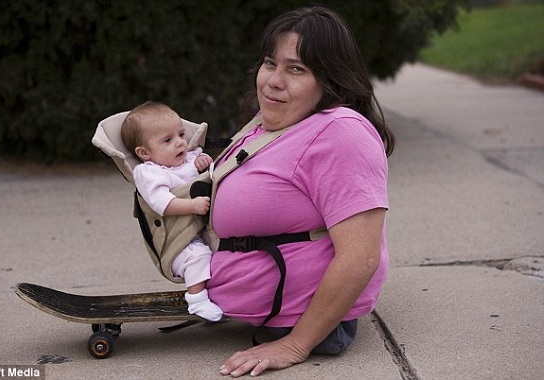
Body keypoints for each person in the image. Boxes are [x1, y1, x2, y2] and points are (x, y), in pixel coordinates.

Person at [207, 6, 395, 377]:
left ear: (331, 81)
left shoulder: (341, 133)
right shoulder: (278, 121)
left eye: (296, 69)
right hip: (261, 312)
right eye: (269, 63)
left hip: (302, 327)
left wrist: (295, 345)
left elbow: (361, 256)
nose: (273, 81)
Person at [121, 101, 223, 322]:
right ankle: (197, 300)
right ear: (144, 153)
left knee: (220, 256)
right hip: (177, 243)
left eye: (181, 135)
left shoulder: (187, 158)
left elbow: (199, 165)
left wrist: (203, 161)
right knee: (199, 256)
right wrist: (192, 206)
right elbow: (162, 204)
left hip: (199, 230)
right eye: (168, 140)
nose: (179, 143)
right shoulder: (149, 173)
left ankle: (218, 292)